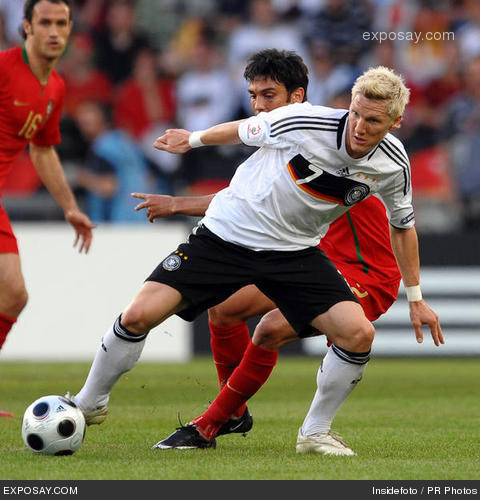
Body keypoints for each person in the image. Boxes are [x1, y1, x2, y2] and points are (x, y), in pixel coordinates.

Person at [70, 51, 443, 457]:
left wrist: (417, 299)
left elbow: (403, 226)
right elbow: (247, 131)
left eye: (372, 121)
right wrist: (191, 140)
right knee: (140, 315)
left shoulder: (392, 163)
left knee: (356, 334)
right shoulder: (306, 121)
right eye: (355, 114)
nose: (359, 127)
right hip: (224, 239)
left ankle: (314, 432)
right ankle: (88, 404)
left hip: (295, 254)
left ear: (394, 123)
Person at [0, 0, 95, 414]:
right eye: (45, 23)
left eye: (61, 23)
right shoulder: (3, 68)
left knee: (13, 295)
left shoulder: (55, 87)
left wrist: (69, 207)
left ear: (70, 29)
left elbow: (42, 149)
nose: (54, 31)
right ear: (26, 27)